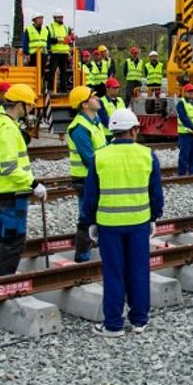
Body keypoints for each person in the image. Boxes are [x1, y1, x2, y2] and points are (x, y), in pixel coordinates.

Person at [81, 108, 163, 336]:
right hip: (139, 222)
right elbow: (156, 193)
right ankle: (139, 321)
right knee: (139, 271)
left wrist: (89, 221)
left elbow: (91, 195)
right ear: (134, 130)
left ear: (112, 131)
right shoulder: (147, 155)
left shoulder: (100, 156)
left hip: (109, 224)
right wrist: (154, 217)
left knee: (113, 273)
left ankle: (113, 324)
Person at [0, 84, 46, 277]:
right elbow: (10, 167)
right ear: (20, 105)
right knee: (13, 240)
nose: (31, 109)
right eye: (29, 105)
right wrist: (34, 184)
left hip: (0, 193)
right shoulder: (8, 129)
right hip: (11, 195)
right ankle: (4, 282)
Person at [67, 86, 107, 262]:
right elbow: (89, 158)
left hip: (96, 177)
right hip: (86, 179)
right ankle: (82, 258)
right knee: (87, 218)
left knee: (97, 216)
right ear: (84, 104)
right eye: (93, 97)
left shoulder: (94, 122)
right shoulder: (79, 127)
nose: (97, 99)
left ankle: (93, 252)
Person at [174, 77, 193, 177]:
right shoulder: (181, 103)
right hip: (185, 133)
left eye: (192, 91)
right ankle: (182, 173)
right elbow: (183, 117)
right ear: (185, 93)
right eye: (189, 91)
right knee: (184, 154)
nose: (191, 93)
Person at [47, 10, 73, 92]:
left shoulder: (66, 27)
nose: (61, 19)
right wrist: (61, 40)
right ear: (55, 18)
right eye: (59, 17)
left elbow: (69, 40)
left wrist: (69, 53)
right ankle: (50, 89)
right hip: (55, 52)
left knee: (64, 72)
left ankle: (63, 89)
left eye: (62, 17)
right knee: (52, 71)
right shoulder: (50, 27)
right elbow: (49, 40)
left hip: (64, 52)